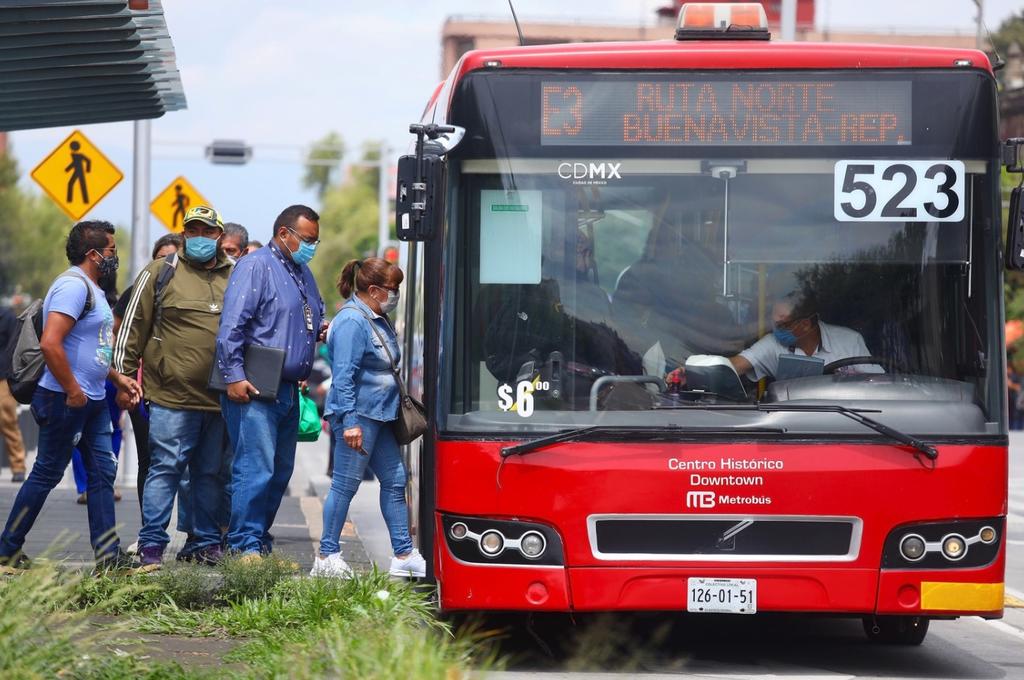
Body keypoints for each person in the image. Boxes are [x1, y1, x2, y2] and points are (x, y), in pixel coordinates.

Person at [0, 221, 141, 575]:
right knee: (46, 474)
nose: (114, 257)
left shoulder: (91, 287)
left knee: (102, 474)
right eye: (111, 251)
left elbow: (89, 348)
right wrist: (74, 390)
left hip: (90, 400)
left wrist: (117, 377)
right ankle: (7, 549)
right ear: (94, 254)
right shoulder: (71, 287)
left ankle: (108, 558)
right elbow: (51, 343)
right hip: (65, 398)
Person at [115, 206, 234, 570]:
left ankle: (204, 542)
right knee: (165, 469)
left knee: (210, 474)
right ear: (184, 235)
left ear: (219, 235)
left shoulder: (238, 274)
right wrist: (122, 377)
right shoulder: (160, 271)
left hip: (219, 399)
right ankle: (152, 545)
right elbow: (132, 328)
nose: (199, 237)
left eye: (207, 231)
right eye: (192, 230)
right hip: (170, 397)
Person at [215, 204, 325, 560]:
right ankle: (243, 545)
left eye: (316, 241)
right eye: (307, 239)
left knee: (280, 471)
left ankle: (257, 539)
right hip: (255, 386)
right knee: (254, 468)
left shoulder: (302, 272)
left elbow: (307, 318)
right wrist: (233, 376)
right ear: (284, 234)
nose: (312, 246)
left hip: (289, 388)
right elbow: (232, 326)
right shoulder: (256, 266)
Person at [312, 257, 425, 578]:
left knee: (395, 480)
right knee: (345, 486)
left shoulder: (376, 317)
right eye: (393, 289)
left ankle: (403, 554)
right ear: (373, 290)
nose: (396, 294)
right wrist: (349, 423)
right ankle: (326, 556)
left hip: (380, 415)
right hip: (359, 416)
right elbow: (344, 376)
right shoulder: (352, 321)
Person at [111, 233, 182, 512]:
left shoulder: (191, 292)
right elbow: (118, 327)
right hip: (143, 387)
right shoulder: (138, 291)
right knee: (149, 459)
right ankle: (149, 528)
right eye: (160, 257)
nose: (165, 262)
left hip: (183, 390)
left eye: (171, 257)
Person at [729, 291, 883, 380]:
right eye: (774, 323)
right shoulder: (772, 343)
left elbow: (878, 384)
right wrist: (709, 364)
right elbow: (735, 366)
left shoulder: (849, 341)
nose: (776, 330)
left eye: (782, 325)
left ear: (805, 324)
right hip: (792, 425)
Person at [0, 301, 27, 482]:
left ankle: (18, 466)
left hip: (3, 377)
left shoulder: (7, 316)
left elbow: (13, 346)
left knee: (8, 420)